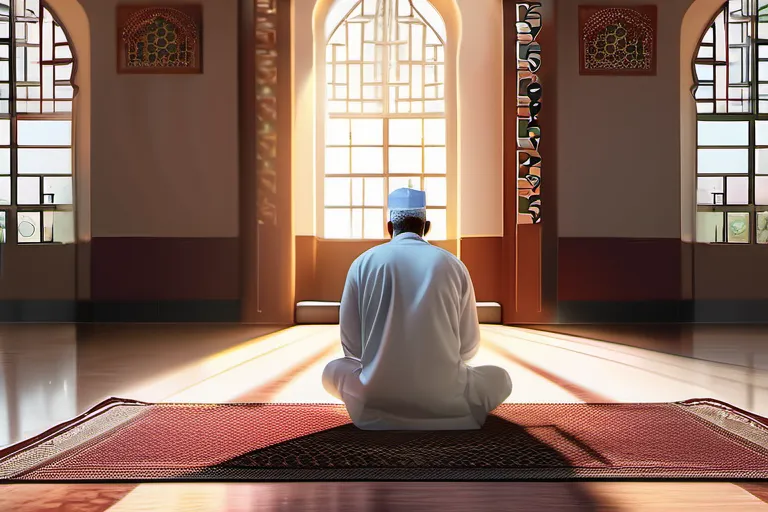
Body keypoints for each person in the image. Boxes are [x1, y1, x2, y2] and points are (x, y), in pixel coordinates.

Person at [322, 188, 512, 430]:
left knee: (331, 371)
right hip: (448, 399)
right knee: (501, 377)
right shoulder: (453, 264)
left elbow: (353, 348)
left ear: (389, 227)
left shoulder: (362, 263)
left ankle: (379, 409)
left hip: (376, 398)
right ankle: (447, 409)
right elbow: (468, 347)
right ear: (427, 226)